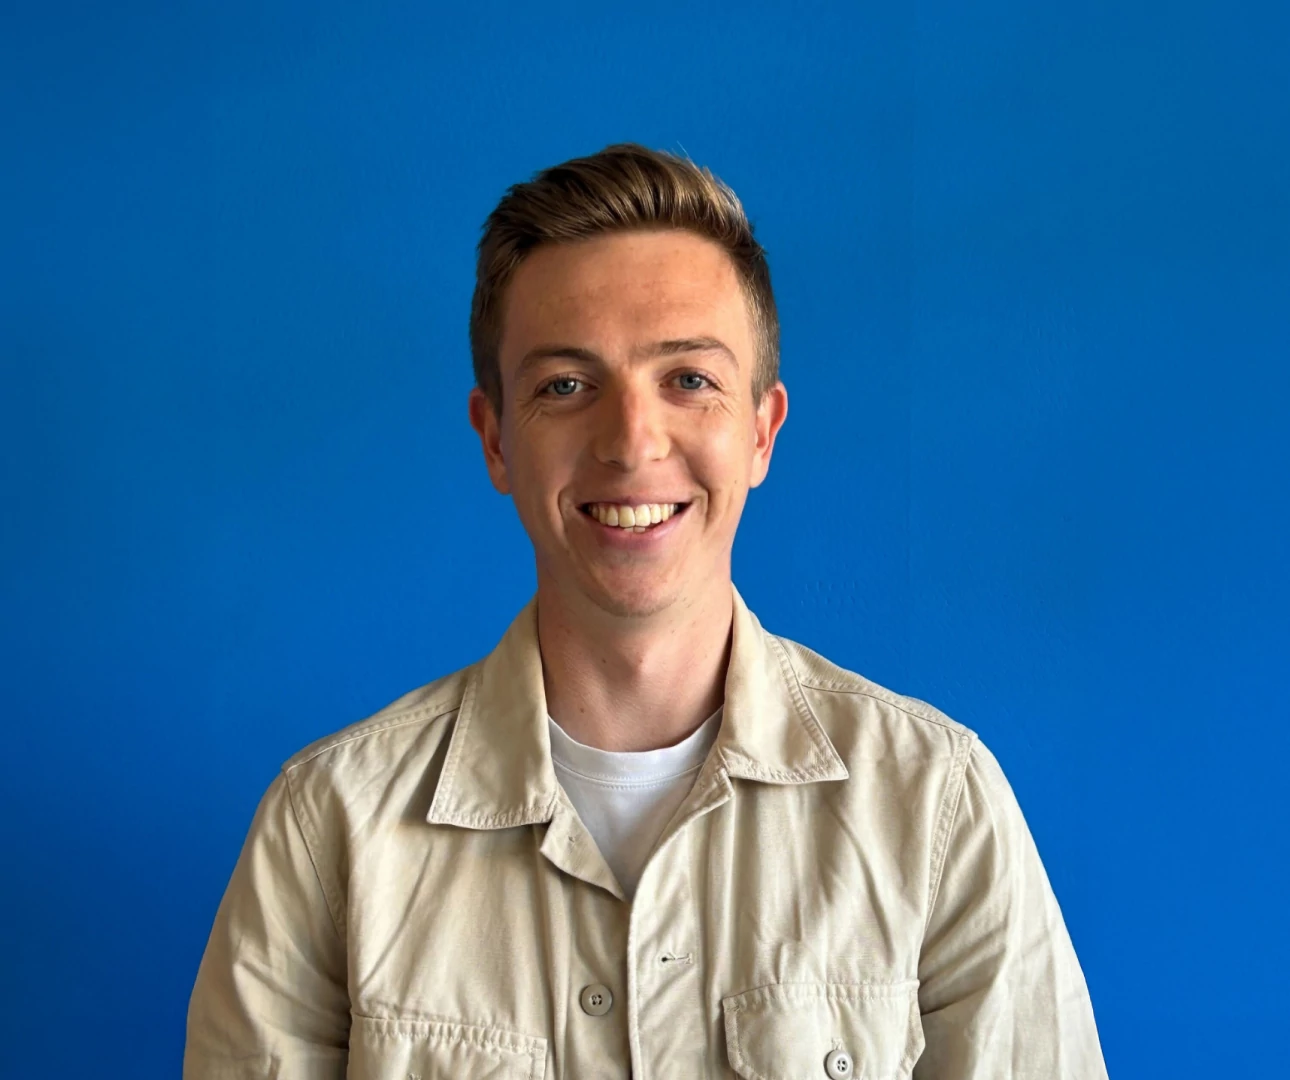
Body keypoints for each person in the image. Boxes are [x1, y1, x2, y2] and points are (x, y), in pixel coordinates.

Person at [184, 143, 1107, 1079]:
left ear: (760, 430)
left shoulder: (934, 805)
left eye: (689, 379)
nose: (630, 442)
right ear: (497, 440)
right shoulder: (328, 830)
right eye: (565, 386)